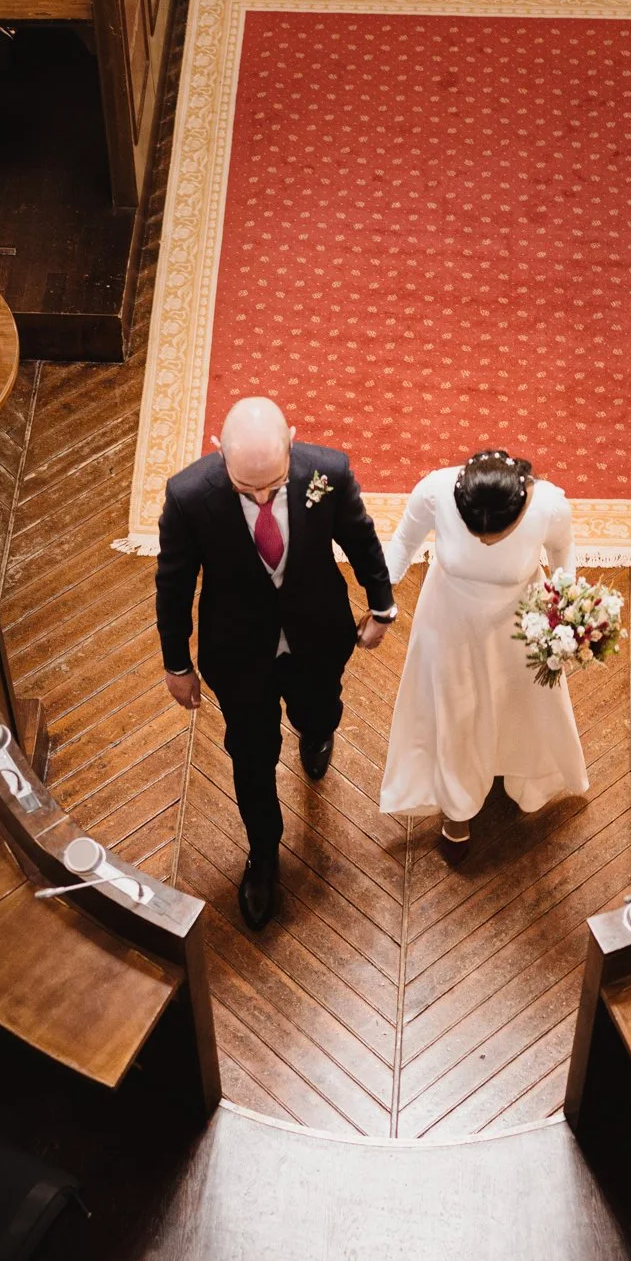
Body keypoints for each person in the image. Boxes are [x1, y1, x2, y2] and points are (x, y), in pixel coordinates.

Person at [157, 397, 397, 929]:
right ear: (219, 452)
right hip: (239, 653)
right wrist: (177, 663)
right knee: (251, 755)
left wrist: (382, 607)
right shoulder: (188, 496)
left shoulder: (329, 472)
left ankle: (316, 733)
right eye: (247, 489)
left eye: (273, 484)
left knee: (320, 710)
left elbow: (360, 538)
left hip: (318, 634)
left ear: (291, 441)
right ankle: (263, 852)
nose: (262, 497)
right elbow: (173, 584)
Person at [380, 450, 589, 844]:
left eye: (497, 533)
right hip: (449, 619)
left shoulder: (549, 506)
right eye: (475, 531)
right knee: (456, 710)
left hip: (520, 619)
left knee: (520, 704)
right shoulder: (435, 491)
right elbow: (404, 543)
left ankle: (522, 772)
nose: (484, 540)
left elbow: (563, 554)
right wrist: (381, 599)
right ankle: (457, 803)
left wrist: (566, 611)